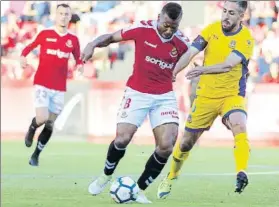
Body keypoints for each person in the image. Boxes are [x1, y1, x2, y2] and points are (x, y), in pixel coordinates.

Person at [82, 2, 189, 204]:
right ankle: (106, 175)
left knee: (166, 146)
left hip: (164, 97)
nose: (168, 29)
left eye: (173, 27)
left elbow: (191, 56)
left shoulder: (182, 42)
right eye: (166, 24)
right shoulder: (142, 29)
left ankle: (138, 189)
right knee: (122, 139)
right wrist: (92, 44)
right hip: (137, 92)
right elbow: (112, 37)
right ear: (159, 17)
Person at [157, 1, 254, 198]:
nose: (226, 16)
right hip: (205, 98)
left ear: (241, 16)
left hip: (231, 95)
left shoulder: (246, 39)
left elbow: (228, 65)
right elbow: (191, 52)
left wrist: (203, 69)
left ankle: (242, 172)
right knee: (185, 144)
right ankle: (171, 176)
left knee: (239, 124)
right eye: (224, 11)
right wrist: (173, 73)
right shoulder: (211, 30)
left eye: (232, 13)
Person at [20, 3, 83, 166]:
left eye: (66, 14)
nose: (63, 16)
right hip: (42, 83)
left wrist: (81, 66)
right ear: (55, 16)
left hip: (59, 87)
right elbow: (29, 47)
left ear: (70, 17)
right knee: (42, 117)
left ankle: (36, 155)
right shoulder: (45, 34)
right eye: (60, 13)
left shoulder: (73, 40)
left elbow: (78, 59)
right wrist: (23, 56)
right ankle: (32, 127)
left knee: (50, 123)